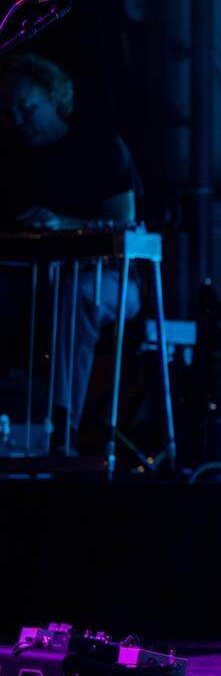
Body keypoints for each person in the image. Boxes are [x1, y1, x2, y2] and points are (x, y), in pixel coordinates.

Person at [0, 53, 141, 454]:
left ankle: (61, 432)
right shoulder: (10, 160)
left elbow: (123, 225)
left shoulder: (102, 148)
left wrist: (61, 224)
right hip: (31, 282)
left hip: (110, 281)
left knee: (75, 297)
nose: (18, 121)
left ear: (55, 98)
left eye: (27, 109)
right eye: (7, 113)